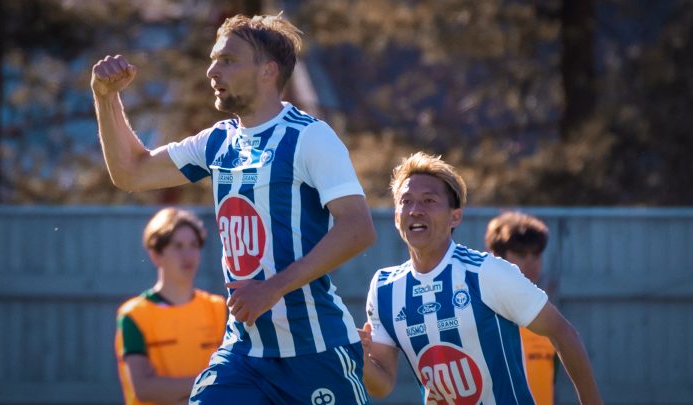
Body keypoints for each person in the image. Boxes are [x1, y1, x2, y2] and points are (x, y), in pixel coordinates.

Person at [92, 12, 376, 405]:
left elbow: (358, 229)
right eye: (212, 59)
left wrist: (272, 289)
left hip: (315, 350)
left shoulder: (311, 137)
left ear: (268, 71)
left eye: (227, 60)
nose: (211, 70)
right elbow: (130, 173)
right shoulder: (217, 142)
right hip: (243, 354)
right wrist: (105, 97)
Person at [359, 152, 602, 404]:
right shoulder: (384, 288)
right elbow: (382, 385)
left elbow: (563, 332)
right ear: (396, 218)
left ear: (455, 216)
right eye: (406, 201)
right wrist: (360, 357)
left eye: (429, 201)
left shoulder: (485, 273)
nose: (415, 210)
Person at [115, 207, 227, 405]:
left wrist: (170, 389)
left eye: (194, 245)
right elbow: (144, 389)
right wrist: (209, 382)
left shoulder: (217, 308)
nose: (188, 254)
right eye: (178, 246)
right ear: (156, 254)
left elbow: (234, 377)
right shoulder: (134, 315)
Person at [485, 211, 557, 405]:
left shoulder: (547, 317)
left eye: (536, 254)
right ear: (497, 256)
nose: (530, 262)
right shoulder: (482, 314)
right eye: (521, 254)